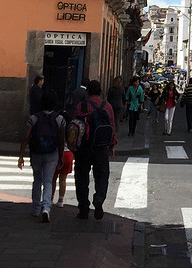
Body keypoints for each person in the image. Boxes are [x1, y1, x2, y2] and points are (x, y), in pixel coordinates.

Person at [17, 89, 65, 222]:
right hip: (52, 153)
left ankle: (35, 208)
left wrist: (21, 155)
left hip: (36, 153)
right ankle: (46, 208)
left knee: (37, 180)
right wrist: (61, 156)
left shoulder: (33, 118)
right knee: (48, 181)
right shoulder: (60, 119)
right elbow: (61, 140)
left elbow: (26, 137)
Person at [72, 79, 117, 220]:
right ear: (100, 91)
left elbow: (75, 126)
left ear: (88, 91)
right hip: (101, 147)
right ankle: (99, 198)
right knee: (102, 176)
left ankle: (83, 208)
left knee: (81, 178)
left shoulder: (81, 106)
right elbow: (112, 127)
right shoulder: (107, 106)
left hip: (84, 148)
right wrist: (112, 145)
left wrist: (73, 146)